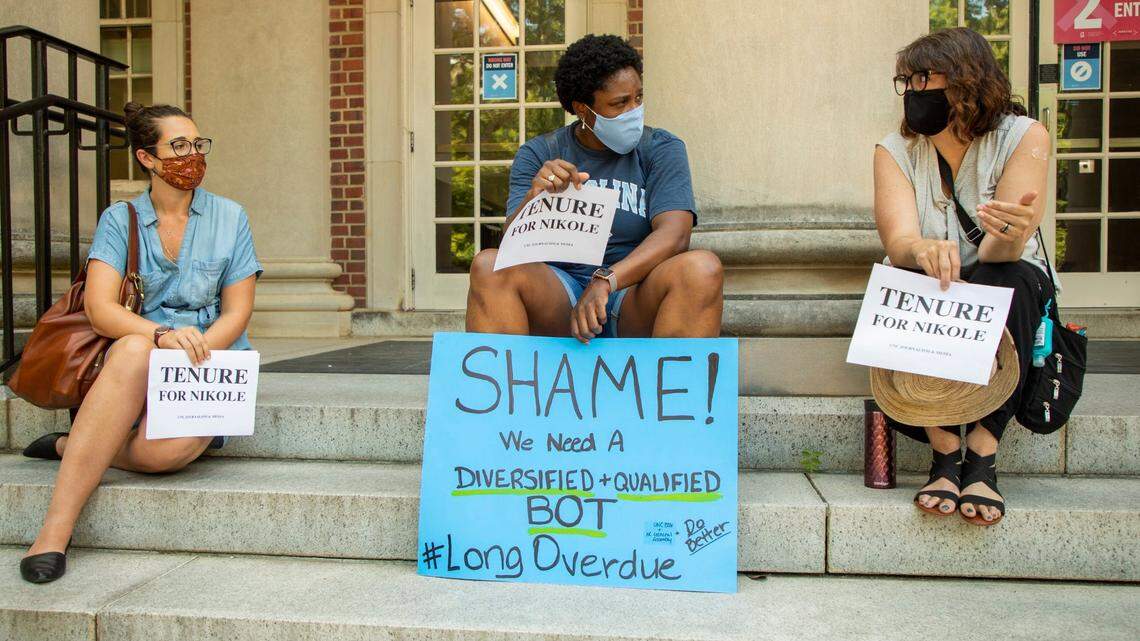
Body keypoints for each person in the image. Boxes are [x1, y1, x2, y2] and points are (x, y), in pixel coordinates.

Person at [18, 102, 263, 583]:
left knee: (161, 456)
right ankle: (53, 532)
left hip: (210, 358)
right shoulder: (120, 218)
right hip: (139, 356)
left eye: (197, 143)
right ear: (147, 158)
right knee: (132, 348)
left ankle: (75, 445)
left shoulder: (231, 217)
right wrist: (162, 336)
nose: (192, 154)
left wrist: (198, 351)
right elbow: (100, 309)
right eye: (178, 146)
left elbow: (237, 311)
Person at [873, 28, 1055, 527]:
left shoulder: (1023, 137)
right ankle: (944, 451)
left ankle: (981, 453)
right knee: (900, 280)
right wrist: (922, 250)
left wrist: (1010, 235)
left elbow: (1001, 248)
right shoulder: (895, 150)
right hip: (936, 281)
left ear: (966, 81)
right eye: (906, 81)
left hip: (1004, 275)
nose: (913, 91)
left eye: (924, 78)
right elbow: (899, 241)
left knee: (1008, 276)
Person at [465, 34, 723, 342]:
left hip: (632, 296)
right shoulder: (540, 153)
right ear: (583, 110)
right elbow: (510, 247)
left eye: (638, 98)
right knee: (488, 265)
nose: (634, 111)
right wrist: (535, 198)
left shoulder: (661, 148)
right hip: (559, 298)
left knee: (701, 268)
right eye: (619, 103)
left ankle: (671, 387)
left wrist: (606, 281)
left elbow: (676, 234)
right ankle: (510, 389)